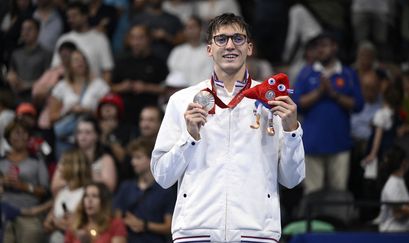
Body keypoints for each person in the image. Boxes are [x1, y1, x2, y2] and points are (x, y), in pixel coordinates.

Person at [151, 13, 305, 242]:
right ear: (209, 49)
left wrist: (292, 131)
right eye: (221, 39)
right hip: (195, 230)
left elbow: (291, 179)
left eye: (238, 39)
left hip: (255, 231)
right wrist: (190, 137)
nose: (230, 45)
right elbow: (163, 176)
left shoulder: (271, 102)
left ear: (249, 48)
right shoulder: (183, 101)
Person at [293, 32, 364, 195]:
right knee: (312, 193)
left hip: (340, 142)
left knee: (339, 194)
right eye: (318, 46)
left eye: (324, 45)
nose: (320, 50)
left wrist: (334, 95)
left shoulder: (348, 74)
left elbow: (358, 105)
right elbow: (296, 103)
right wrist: (319, 92)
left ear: (334, 47)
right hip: (312, 143)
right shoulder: (306, 73)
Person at [114, 138, 175, 243]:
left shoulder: (165, 189)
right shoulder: (126, 187)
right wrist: (128, 222)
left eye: (138, 157)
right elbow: (116, 219)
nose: (133, 162)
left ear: (152, 158)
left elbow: (169, 227)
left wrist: (144, 225)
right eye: (133, 158)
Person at [0, 119, 49, 243]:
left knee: (32, 233)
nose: (21, 137)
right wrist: (2, 181)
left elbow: (45, 190)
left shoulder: (37, 160)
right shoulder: (1, 161)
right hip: (3, 210)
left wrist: (24, 186)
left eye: (24, 133)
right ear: (8, 137)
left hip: (30, 213)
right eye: (16, 133)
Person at [43, 149, 92, 243]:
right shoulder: (61, 192)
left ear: (74, 167)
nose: (58, 168)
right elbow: (48, 223)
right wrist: (48, 224)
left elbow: (82, 227)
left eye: (62, 163)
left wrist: (58, 224)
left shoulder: (86, 194)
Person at [378, 146, 409, 232]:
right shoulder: (393, 185)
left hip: (404, 232)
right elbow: (398, 214)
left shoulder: (400, 181)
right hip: (393, 234)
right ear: (403, 163)